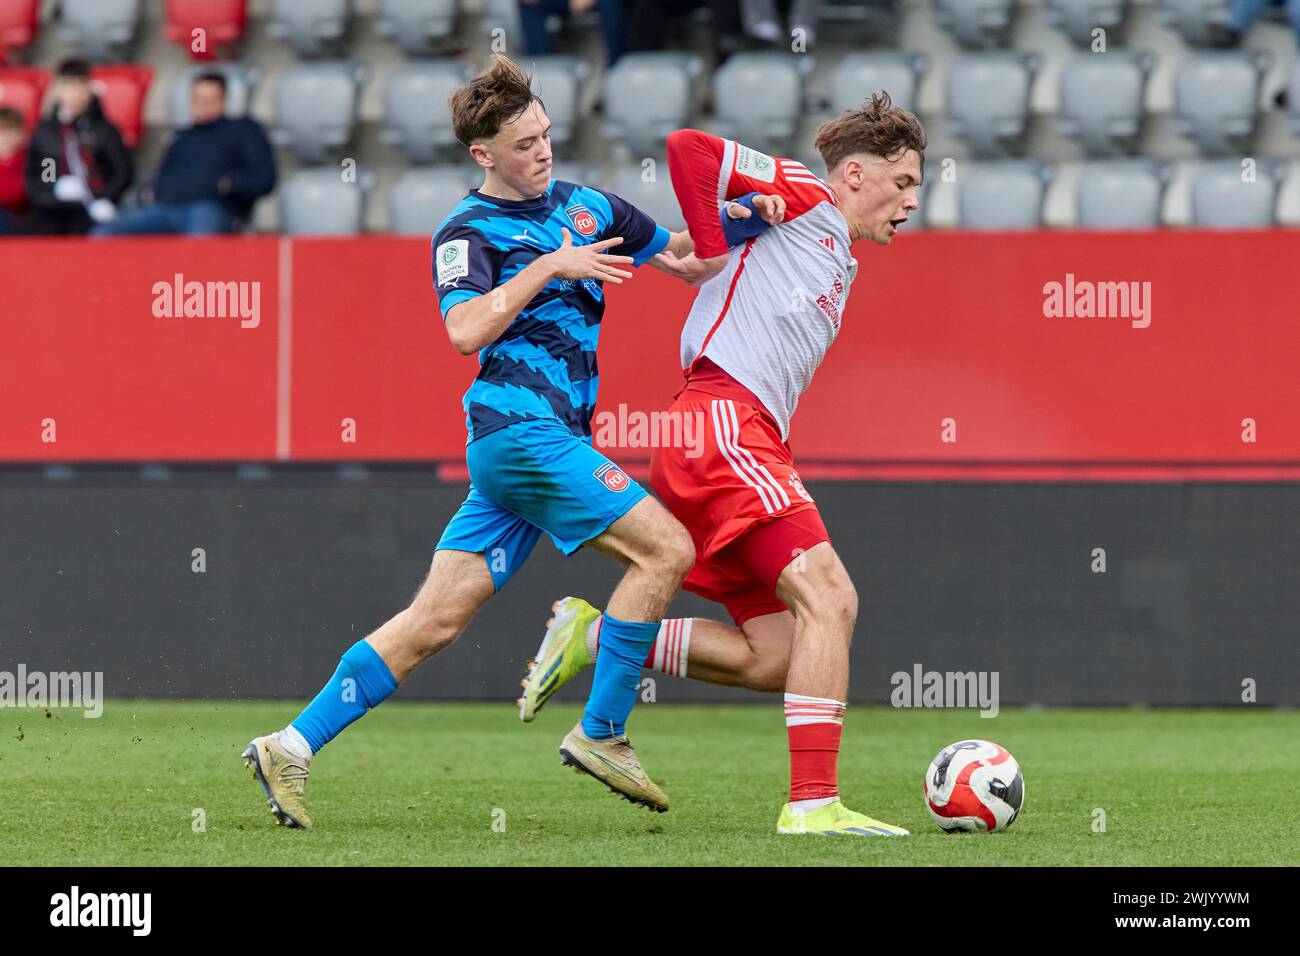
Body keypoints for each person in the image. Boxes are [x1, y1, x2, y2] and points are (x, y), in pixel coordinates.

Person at [240, 55, 761, 830]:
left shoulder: (591, 206)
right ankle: (603, 730)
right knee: (667, 552)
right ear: (483, 154)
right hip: (521, 436)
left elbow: (691, 260)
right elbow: (464, 330)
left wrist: (770, 216)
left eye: (546, 133)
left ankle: (290, 744)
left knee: (434, 622)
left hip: (527, 453)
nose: (543, 151)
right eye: (524, 144)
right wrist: (549, 265)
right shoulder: (466, 231)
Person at [521, 92, 926, 837]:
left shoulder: (823, 241)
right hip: (723, 424)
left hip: (728, 431)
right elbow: (688, 148)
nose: (910, 203)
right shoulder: (808, 197)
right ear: (858, 174)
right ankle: (812, 804)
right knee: (831, 597)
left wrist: (732, 226)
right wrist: (710, 240)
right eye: (903, 185)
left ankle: (600, 635)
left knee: (775, 655)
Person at [93, 72, 275, 236]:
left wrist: (226, 185)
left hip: (210, 207)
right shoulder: (181, 136)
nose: (202, 105)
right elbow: (162, 175)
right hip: (163, 209)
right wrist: (149, 192)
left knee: (197, 242)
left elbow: (265, 179)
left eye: (210, 99)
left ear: (224, 101)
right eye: (197, 99)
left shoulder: (243, 130)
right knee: (104, 233)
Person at [22, 58, 132, 236]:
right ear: (58, 90)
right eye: (68, 85)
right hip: (56, 211)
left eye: (80, 86)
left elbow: (121, 172)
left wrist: (101, 197)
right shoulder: (47, 133)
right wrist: (54, 191)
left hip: (94, 207)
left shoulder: (104, 130)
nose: (74, 93)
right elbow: (44, 172)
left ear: (89, 89)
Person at [0, 107, 27, 234]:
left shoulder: (33, 159)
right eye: (2, 132)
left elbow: (46, 185)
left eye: (12, 131)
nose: (7, 137)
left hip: (23, 216)